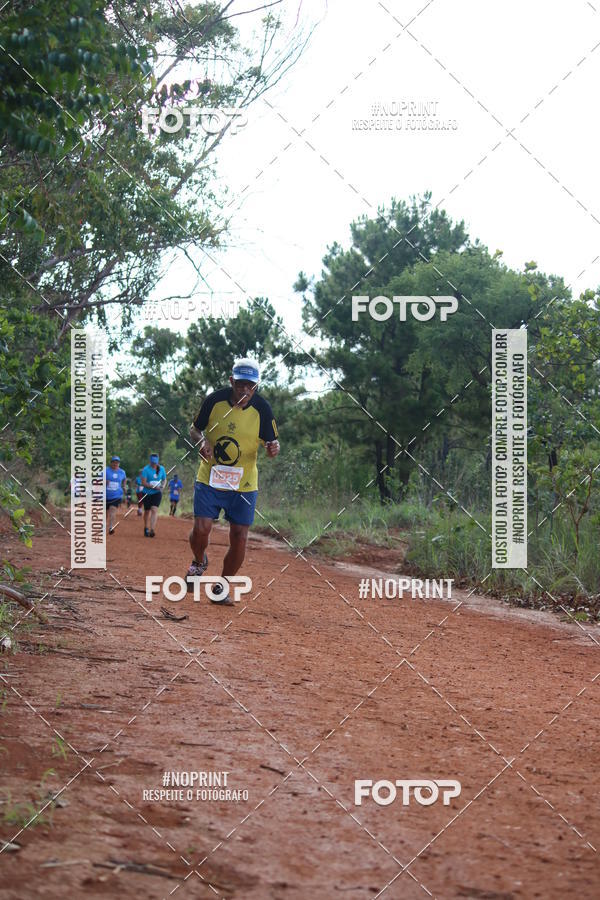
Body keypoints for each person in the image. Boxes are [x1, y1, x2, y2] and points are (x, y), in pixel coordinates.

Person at [186, 358, 280, 605]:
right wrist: (202, 441)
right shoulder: (213, 401)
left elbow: (272, 443)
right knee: (201, 529)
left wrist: (273, 448)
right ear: (231, 381)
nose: (244, 391)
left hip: (244, 484)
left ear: (256, 387)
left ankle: (222, 586)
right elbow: (194, 429)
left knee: (239, 536)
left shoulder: (263, 409)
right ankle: (198, 561)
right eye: (240, 385)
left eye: (250, 386)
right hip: (210, 478)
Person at [140, 452, 166, 538]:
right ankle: (145, 527)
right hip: (147, 493)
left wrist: (162, 486)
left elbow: (164, 480)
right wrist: (152, 486)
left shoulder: (162, 469)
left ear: (157, 462)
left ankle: (152, 529)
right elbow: (143, 483)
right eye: (152, 463)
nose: (154, 464)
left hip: (157, 493)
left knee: (154, 510)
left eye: (155, 463)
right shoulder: (145, 470)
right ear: (150, 462)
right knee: (147, 511)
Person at [105, 455, 126, 535]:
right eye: (114, 462)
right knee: (106, 513)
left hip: (116, 495)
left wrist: (124, 488)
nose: (115, 464)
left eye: (117, 462)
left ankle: (111, 527)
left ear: (119, 463)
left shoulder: (122, 472)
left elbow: (124, 480)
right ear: (111, 463)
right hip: (106, 495)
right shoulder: (105, 471)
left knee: (113, 510)